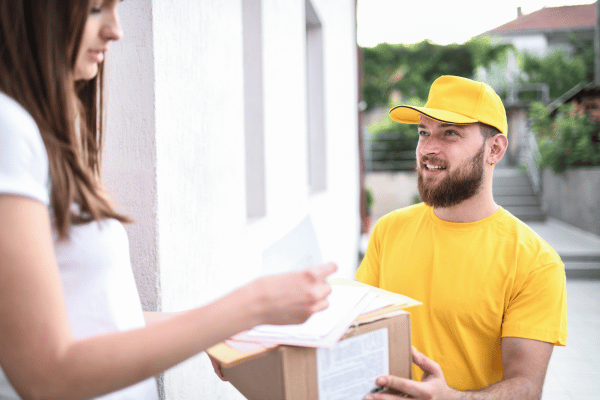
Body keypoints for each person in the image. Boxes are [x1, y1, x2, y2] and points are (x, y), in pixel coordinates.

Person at [0, 1, 336, 398]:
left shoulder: (38, 131)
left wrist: (218, 330)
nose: (116, 31)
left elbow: (101, 320)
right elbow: (45, 374)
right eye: (94, 9)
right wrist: (252, 304)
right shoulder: (8, 129)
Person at [358, 75, 567, 400]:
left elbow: (526, 387)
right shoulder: (388, 230)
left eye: (450, 134)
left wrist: (449, 398)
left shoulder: (535, 262)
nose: (427, 148)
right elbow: (358, 334)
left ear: (494, 149)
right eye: (423, 132)